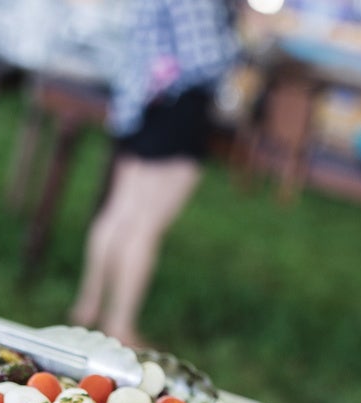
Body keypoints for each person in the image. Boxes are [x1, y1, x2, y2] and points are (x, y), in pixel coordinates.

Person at [68, 0, 240, 348]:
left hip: (142, 100)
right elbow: (203, 57)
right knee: (144, 224)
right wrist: (247, 46)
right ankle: (120, 325)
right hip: (178, 108)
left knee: (120, 212)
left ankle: (88, 307)